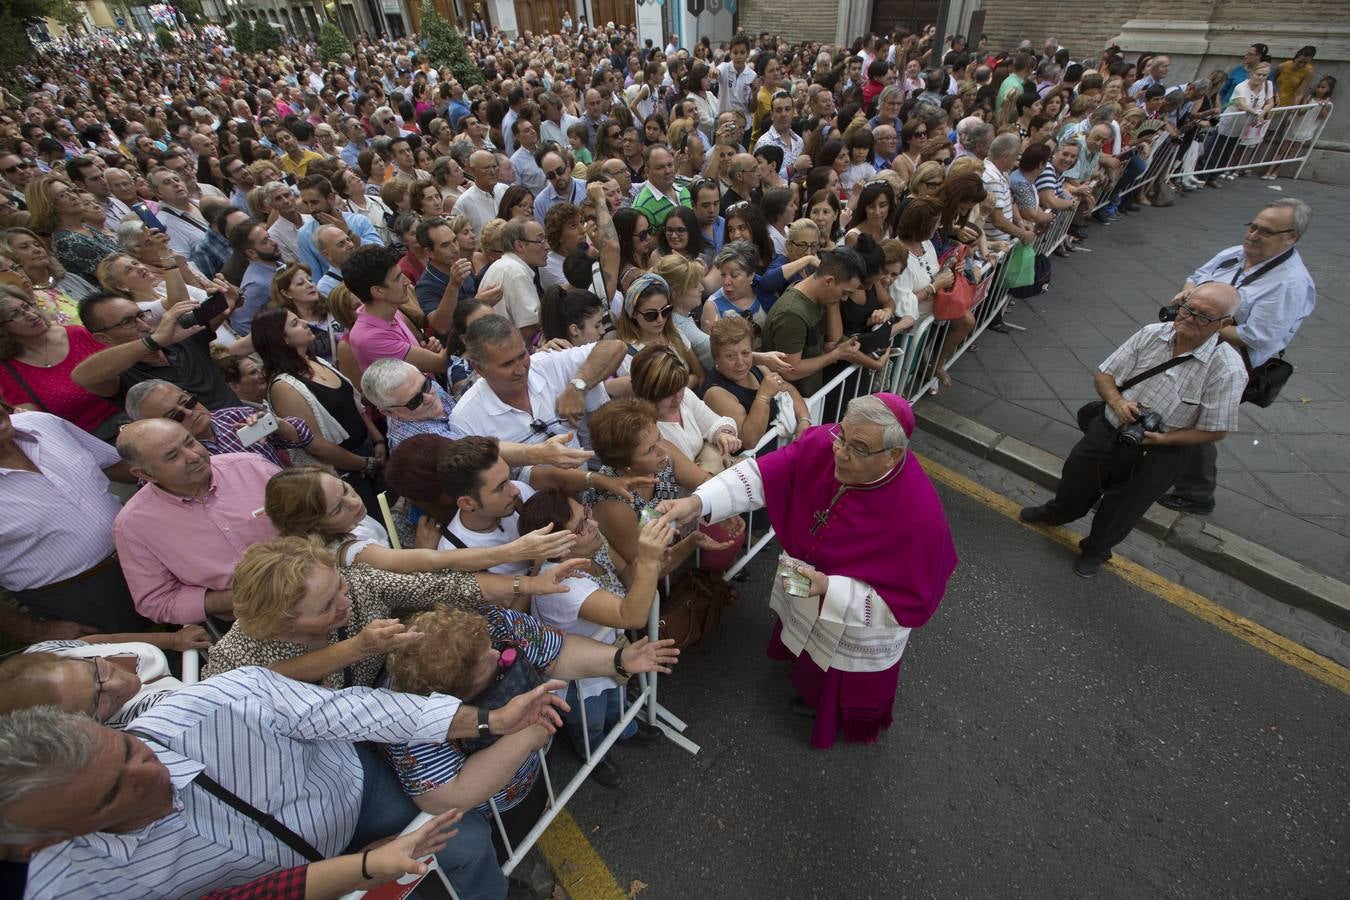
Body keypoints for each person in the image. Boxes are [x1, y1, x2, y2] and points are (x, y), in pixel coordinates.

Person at [1, 667, 570, 899]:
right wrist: (362, 869)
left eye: (126, 747)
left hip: (356, 796)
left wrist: (490, 721)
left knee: (466, 845)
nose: (149, 771)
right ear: (44, 841)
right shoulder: (70, 890)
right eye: (112, 794)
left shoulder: (217, 700)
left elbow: (356, 711)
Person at [657, 392, 957, 748]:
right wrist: (697, 501)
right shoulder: (826, 443)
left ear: (894, 455)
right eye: (842, 436)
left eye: (858, 448)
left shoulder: (920, 517)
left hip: (852, 611)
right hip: (810, 579)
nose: (840, 452)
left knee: (840, 676)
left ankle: (832, 715)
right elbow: (759, 476)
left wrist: (830, 587)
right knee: (807, 644)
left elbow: (910, 601)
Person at [382, 604, 678, 840]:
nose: (497, 652)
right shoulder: (408, 719)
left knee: (537, 809)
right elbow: (446, 796)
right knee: (517, 835)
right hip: (497, 809)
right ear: (454, 691)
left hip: (533, 772)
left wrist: (619, 660)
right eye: (486, 661)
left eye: (490, 646)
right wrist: (526, 736)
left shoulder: (491, 623)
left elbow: (555, 651)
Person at [1021, 282, 1248, 576]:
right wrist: (1117, 402)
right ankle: (1056, 513)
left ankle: (1096, 549)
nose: (1189, 318)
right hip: (1108, 429)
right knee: (1076, 479)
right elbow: (1105, 375)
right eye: (1187, 309)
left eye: (1203, 316)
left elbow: (1216, 430)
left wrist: (1165, 439)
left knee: (1124, 508)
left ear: (1224, 324)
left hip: (1158, 452)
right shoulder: (1151, 334)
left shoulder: (1228, 369)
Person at [203, 534, 579, 686]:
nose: (345, 601)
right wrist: (356, 648)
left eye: (340, 585)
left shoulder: (362, 582)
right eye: (327, 606)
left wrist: (528, 584)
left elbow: (444, 585)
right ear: (281, 624)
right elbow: (255, 689)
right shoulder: (233, 661)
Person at [1159, 200, 1316, 515]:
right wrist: (1188, 294)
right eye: (1253, 226)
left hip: (1230, 360)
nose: (1253, 236)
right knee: (1173, 405)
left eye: (1266, 232)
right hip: (1196, 342)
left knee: (1199, 420)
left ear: (1291, 238)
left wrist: (1199, 318)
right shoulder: (1235, 253)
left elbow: (1258, 337)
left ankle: (1196, 494)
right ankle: (1155, 458)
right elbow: (1198, 275)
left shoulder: (1291, 283)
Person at [520, 488, 670, 786]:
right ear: (559, 547)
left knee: (615, 700)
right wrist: (650, 563)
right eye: (581, 526)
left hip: (608, 657)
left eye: (587, 514)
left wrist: (647, 563)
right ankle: (595, 755)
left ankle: (625, 730)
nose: (594, 525)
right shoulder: (565, 587)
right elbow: (632, 616)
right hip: (580, 679)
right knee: (589, 721)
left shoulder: (580, 556)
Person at [112, 418, 280, 624]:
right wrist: (243, 598)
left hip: (319, 578)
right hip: (251, 618)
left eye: (190, 442)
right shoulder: (133, 525)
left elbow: (318, 516)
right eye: (173, 456)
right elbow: (156, 601)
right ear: (144, 474)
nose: (193, 456)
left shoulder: (251, 466)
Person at [0, 406, 149, 637]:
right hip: (80, 596)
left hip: (146, 552)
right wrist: (37, 630)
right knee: (145, 665)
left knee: (203, 633)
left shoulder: (42, 423)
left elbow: (114, 465)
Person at [449, 314, 627, 450]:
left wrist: (577, 386)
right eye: (507, 364)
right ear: (479, 368)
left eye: (522, 355)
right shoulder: (466, 419)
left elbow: (615, 347)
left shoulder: (546, 364)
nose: (520, 369)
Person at [73, 293, 240, 410]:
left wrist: (229, 295)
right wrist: (154, 341)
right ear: (103, 338)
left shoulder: (178, 335)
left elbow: (225, 303)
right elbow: (81, 376)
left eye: (141, 315)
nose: (144, 326)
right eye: (127, 322)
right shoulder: (121, 376)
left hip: (249, 420)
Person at [124, 378, 314, 469]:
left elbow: (303, 436)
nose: (190, 412)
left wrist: (276, 425)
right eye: (175, 416)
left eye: (187, 401)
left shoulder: (234, 416)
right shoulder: (161, 464)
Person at [762, 247, 871, 397]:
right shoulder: (792, 313)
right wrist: (834, 355)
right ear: (829, 281)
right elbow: (790, 371)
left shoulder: (816, 297)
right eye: (844, 293)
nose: (845, 299)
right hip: (793, 402)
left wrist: (826, 350)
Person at [702, 315, 810, 447]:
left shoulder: (758, 368)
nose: (740, 363)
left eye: (746, 353)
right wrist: (763, 396)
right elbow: (748, 441)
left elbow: (788, 389)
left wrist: (804, 420)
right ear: (716, 357)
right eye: (730, 356)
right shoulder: (716, 393)